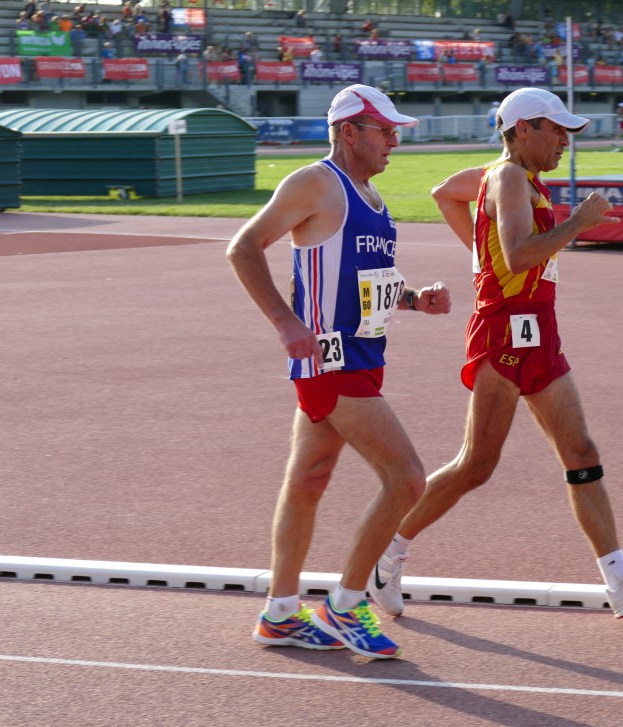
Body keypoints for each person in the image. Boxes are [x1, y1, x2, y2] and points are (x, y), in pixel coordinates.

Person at [368, 87, 623, 622]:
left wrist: (479, 253)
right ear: (521, 130)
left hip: (537, 328)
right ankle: (385, 555)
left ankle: (621, 579)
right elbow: (516, 257)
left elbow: (445, 192)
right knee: (476, 465)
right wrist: (576, 225)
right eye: (556, 129)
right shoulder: (511, 177)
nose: (565, 140)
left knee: (580, 452)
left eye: (567, 131)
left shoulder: (507, 176)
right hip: (506, 333)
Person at [226, 84, 452, 659]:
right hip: (330, 360)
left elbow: (366, 282)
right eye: (384, 130)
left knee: (308, 480)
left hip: (364, 358)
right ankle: (345, 607)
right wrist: (283, 322)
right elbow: (244, 247)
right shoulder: (316, 183)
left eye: (396, 131)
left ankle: (280, 614)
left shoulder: (372, 198)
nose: (394, 141)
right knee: (407, 479)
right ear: (349, 131)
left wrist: (414, 300)